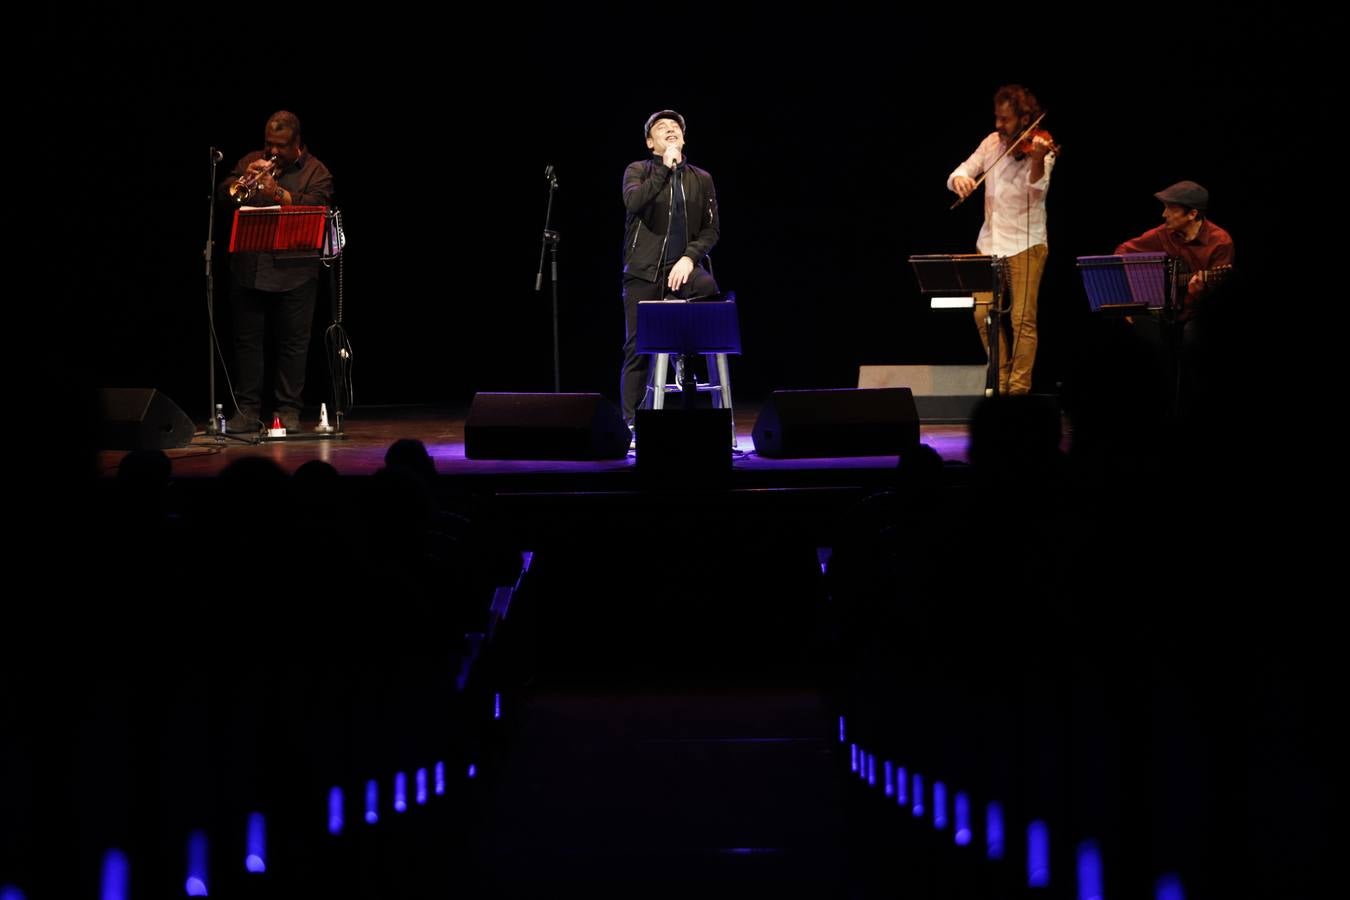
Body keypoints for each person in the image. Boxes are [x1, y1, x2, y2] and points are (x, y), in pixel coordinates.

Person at [219, 110, 334, 433]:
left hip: (297, 273)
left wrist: (275, 193)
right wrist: (241, 182)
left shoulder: (316, 171)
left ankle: (288, 411)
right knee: (247, 343)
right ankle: (247, 410)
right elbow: (224, 194)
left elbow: (315, 208)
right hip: (250, 269)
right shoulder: (250, 161)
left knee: (293, 345)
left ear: (297, 143)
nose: (272, 152)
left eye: (280, 146)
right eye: (269, 144)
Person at [947, 84, 1056, 396]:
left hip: (1026, 244)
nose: (998, 124)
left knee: (1022, 320)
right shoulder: (992, 143)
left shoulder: (1041, 146)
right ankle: (1000, 377)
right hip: (990, 243)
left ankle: (1018, 391)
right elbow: (961, 170)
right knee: (983, 314)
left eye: (1005, 119)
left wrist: (1037, 159)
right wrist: (961, 180)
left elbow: (1038, 191)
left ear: (1024, 118)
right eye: (996, 117)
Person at [620, 109, 721, 437]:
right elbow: (635, 202)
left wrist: (690, 258)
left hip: (682, 269)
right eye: (662, 128)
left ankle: (683, 356)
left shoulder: (701, 178)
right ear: (651, 143)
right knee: (637, 347)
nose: (671, 130)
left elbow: (711, 230)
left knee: (709, 287)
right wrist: (664, 169)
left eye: (675, 127)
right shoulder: (638, 170)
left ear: (683, 137)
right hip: (644, 271)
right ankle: (632, 424)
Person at [1114, 180, 1234, 323]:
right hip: (1163, 313)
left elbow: (1220, 298)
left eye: (1171, 209)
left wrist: (1197, 293)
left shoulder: (1220, 242)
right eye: (1165, 208)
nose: (1164, 214)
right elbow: (1123, 251)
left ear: (1192, 214)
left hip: (1201, 315)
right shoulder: (1162, 233)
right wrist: (1126, 298)